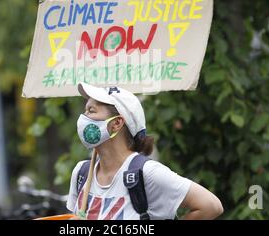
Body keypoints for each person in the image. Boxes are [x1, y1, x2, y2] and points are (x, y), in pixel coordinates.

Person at [66, 82, 223, 220]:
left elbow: (211, 206)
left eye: (91, 111)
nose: (83, 118)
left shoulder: (147, 173)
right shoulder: (82, 173)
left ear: (116, 123)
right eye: (85, 110)